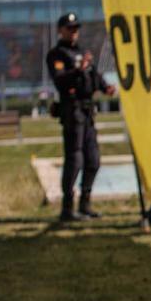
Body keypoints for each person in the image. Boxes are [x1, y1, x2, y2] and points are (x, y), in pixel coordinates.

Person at [47, 12, 115, 222]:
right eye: (70, 28)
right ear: (61, 30)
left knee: (93, 160)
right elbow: (60, 80)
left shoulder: (83, 52)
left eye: (76, 28)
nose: (74, 32)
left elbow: (94, 76)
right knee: (75, 159)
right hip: (72, 111)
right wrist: (78, 69)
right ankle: (68, 208)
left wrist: (105, 87)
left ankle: (86, 204)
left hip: (87, 111)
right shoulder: (57, 54)